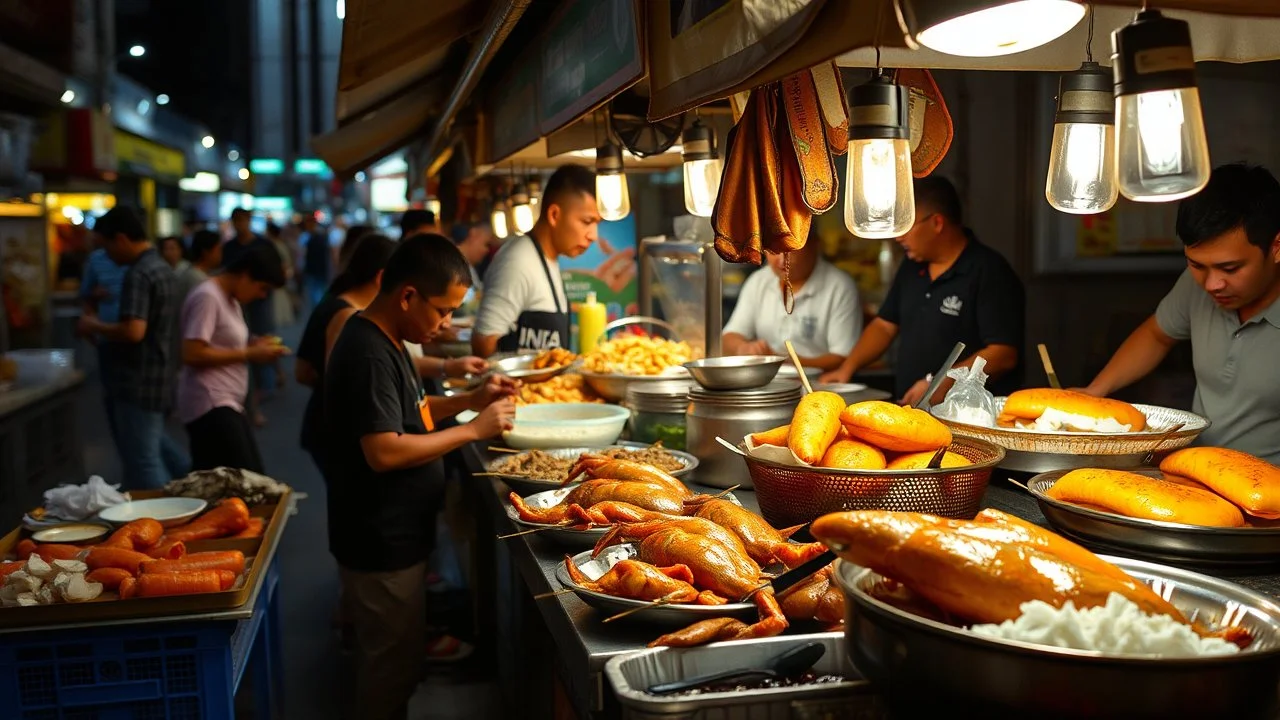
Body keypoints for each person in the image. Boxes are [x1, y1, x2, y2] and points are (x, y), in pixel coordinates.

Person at [324, 233, 517, 720]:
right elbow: (384, 450)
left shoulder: (388, 339)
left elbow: (413, 412)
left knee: (400, 661)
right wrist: (473, 428)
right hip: (378, 543)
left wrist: (469, 401)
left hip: (395, 536)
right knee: (388, 673)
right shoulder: (368, 350)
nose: (447, 324)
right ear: (407, 295)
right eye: (443, 311)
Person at [1081, 164, 1280, 462]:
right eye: (1197, 265)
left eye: (1230, 268)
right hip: (1194, 471)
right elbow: (1157, 334)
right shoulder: (1194, 286)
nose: (1212, 284)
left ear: (1276, 247)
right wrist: (1094, 391)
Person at [821, 176, 1025, 405]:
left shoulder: (989, 271)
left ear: (937, 223)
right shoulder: (912, 266)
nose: (899, 236)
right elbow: (885, 325)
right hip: (911, 410)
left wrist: (941, 382)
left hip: (968, 415)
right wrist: (847, 369)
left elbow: (1003, 354)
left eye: (907, 225)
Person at [77, 207, 191, 489]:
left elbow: (133, 330)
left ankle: (164, 519)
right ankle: (193, 489)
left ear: (121, 239)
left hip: (136, 379)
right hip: (158, 373)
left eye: (107, 247)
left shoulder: (139, 273)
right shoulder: (162, 268)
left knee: (143, 461)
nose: (109, 257)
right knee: (156, 446)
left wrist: (94, 325)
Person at [177, 243, 289, 472]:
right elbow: (192, 352)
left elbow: (220, 342)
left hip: (225, 401)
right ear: (246, 275)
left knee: (237, 482)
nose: (261, 295)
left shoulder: (229, 298)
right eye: (262, 288)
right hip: (211, 402)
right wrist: (249, 353)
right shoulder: (208, 297)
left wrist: (253, 345)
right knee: (248, 480)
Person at [296, 232, 397, 475]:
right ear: (382, 277)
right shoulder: (347, 315)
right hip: (333, 434)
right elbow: (336, 381)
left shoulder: (340, 301)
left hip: (327, 427)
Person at [472, 164, 599, 356]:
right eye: (587, 222)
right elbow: (483, 344)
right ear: (554, 215)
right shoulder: (518, 262)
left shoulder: (549, 259)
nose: (593, 235)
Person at [722, 232, 863, 370]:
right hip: (768, 384)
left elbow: (843, 357)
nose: (782, 259)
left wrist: (779, 360)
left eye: (790, 249)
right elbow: (729, 337)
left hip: (822, 387)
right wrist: (743, 348)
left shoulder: (840, 286)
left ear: (814, 245)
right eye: (773, 250)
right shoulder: (758, 281)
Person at [223, 208, 279, 423]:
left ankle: (266, 384)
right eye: (236, 221)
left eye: (242, 220)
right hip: (238, 302)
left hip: (259, 305)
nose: (239, 225)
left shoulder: (262, 244)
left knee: (262, 336)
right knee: (246, 340)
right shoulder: (229, 247)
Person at [78, 233, 127, 447]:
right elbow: (86, 297)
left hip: (135, 338)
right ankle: (123, 444)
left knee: (137, 406)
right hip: (107, 338)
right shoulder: (96, 260)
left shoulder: (138, 262)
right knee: (114, 397)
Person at [266, 222, 296, 329]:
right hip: (278, 280)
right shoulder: (279, 244)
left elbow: (286, 263)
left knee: (276, 308)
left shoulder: (274, 245)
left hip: (276, 281)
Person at [301, 213, 333, 310]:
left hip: (314, 269)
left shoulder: (307, 237)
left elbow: (302, 254)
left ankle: (319, 311)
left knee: (315, 293)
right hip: (319, 269)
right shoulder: (322, 236)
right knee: (318, 292)